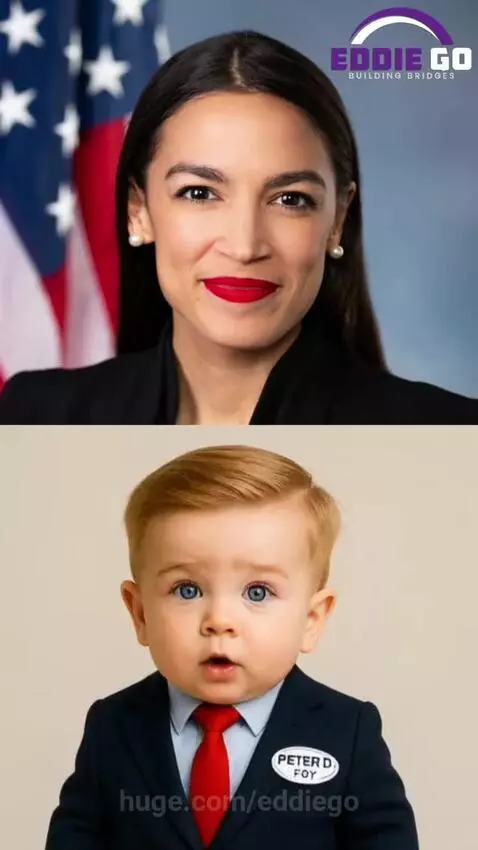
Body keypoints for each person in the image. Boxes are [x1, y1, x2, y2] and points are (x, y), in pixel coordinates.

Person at [1, 30, 476, 424]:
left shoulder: (448, 437)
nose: (245, 245)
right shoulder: (36, 418)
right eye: (200, 193)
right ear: (138, 210)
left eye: (290, 199)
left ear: (338, 221)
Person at [45, 445, 419, 850]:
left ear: (312, 620)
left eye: (258, 592)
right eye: (186, 589)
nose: (219, 619)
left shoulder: (347, 729)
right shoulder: (113, 725)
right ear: (140, 614)